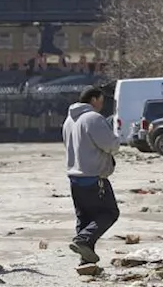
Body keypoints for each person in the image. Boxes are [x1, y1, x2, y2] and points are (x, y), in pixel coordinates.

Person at [63, 86, 120, 266]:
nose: (102, 105)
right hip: (94, 177)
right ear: (94, 99)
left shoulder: (69, 120)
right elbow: (110, 144)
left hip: (74, 177)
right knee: (109, 213)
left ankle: (86, 261)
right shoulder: (93, 118)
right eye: (101, 101)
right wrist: (116, 142)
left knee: (85, 218)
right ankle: (83, 241)